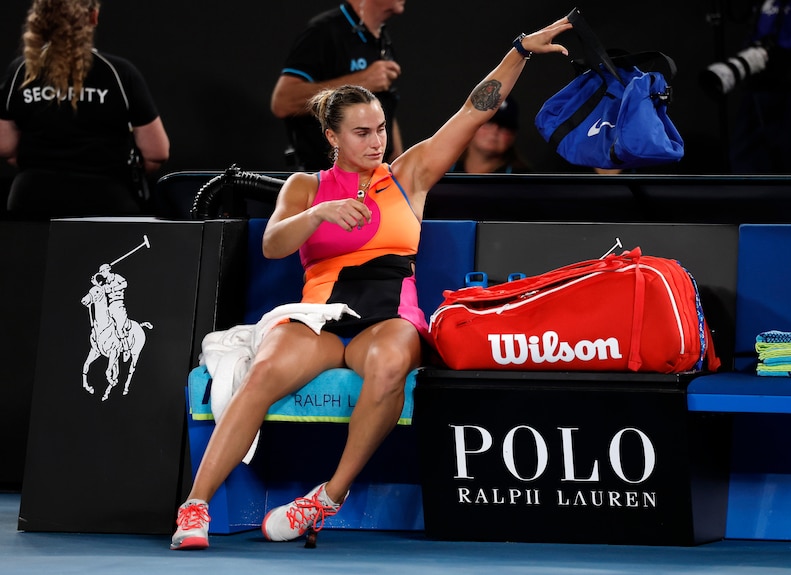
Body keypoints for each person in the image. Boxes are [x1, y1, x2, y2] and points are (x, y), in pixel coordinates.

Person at [170, 14, 574, 551]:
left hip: (386, 320)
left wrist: (520, 50)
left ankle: (326, 499)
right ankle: (195, 507)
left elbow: (475, 110)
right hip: (321, 320)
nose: (376, 140)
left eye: (380, 127)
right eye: (362, 132)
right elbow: (272, 245)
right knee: (264, 368)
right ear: (332, 136)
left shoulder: (410, 174)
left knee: (389, 364)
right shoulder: (304, 187)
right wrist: (319, 215)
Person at [0, 0, 169, 220]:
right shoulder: (118, 72)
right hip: (106, 203)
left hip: (32, 201)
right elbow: (157, 153)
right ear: (93, 17)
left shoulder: (21, 71)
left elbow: (6, 148)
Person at [270, 0, 405, 171]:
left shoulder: (380, 38)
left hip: (373, 181)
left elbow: (385, 106)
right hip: (322, 181)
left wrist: (397, 167)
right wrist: (362, 81)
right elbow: (283, 101)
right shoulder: (323, 32)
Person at [448, 96, 531, 174]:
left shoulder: (525, 182)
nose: (495, 130)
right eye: (488, 122)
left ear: (513, 136)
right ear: (469, 125)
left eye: (504, 126)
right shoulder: (442, 171)